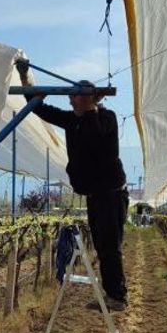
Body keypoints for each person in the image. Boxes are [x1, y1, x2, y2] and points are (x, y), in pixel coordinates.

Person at [17, 62, 128, 311]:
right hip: (95, 195)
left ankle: (118, 297)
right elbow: (39, 108)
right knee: (102, 245)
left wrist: (90, 108)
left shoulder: (105, 118)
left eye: (75, 96)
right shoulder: (72, 120)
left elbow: (93, 134)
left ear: (88, 99)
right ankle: (113, 294)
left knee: (109, 246)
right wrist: (26, 78)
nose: (70, 101)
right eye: (71, 98)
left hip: (111, 194)